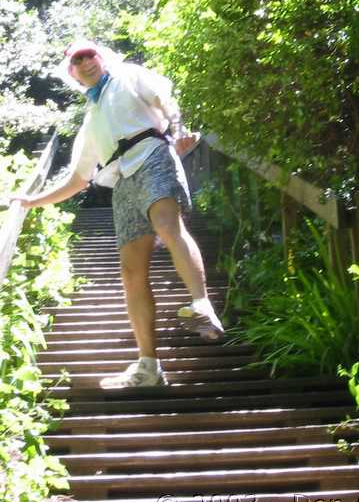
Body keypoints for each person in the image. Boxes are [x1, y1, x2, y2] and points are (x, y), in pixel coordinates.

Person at [13, 40, 224, 389]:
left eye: (89, 55)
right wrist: (30, 201)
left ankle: (202, 305)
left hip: (153, 152)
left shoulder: (128, 75)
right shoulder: (90, 119)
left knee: (167, 224)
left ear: (102, 58)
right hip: (121, 178)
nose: (85, 62)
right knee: (130, 271)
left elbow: (165, 101)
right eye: (77, 60)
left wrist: (178, 130)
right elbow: (78, 179)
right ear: (73, 74)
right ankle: (148, 367)